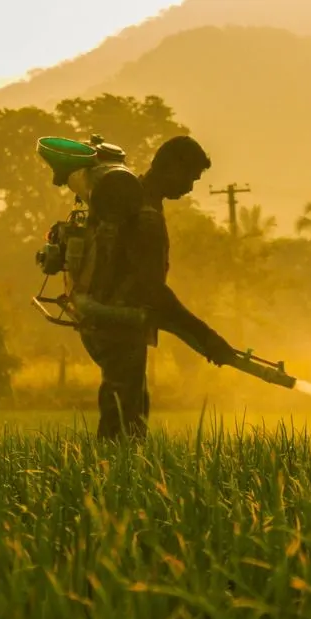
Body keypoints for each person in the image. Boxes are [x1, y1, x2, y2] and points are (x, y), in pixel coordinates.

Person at [79, 135, 236, 441]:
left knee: (127, 413)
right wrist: (207, 337)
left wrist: (201, 339)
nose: (190, 187)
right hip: (121, 324)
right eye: (189, 177)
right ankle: (106, 481)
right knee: (124, 425)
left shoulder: (130, 198)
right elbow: (154, 293)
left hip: (102, 320)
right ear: (170, 167)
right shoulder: (145, 215)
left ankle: (105, 478)